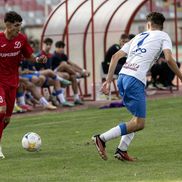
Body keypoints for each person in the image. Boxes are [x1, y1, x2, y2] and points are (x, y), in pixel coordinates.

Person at [92, 12, 182, 161]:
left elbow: (115, 57)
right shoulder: (163, 36)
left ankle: (122, 150)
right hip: (135, 79)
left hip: (122, 77)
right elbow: (169, 59)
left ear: (148, 25)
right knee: (139, 123)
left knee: (135, 119)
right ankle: (101, 138)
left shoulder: (138, 36)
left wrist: (108, 81)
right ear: (161, 25)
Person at [0, 11, 47, 159]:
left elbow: (30, 56)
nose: (19, 29)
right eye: (16, 25)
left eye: (20, 25)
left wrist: (39, 60)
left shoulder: (21, 39)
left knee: (7, 118)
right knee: (2, 109)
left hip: (13, 82)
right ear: (7, 25)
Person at [51, 41, 90, 105]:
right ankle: (78, 74)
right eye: (59, 47)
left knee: (73, 77)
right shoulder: (54, 56)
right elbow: (63, 66)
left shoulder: (63, 55)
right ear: (56, 48)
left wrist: (83, 70)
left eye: (62, 47)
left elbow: (72, 64)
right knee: (64, 64)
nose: (61, 49)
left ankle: (76, 98)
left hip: (64, 73)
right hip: (54, 72)